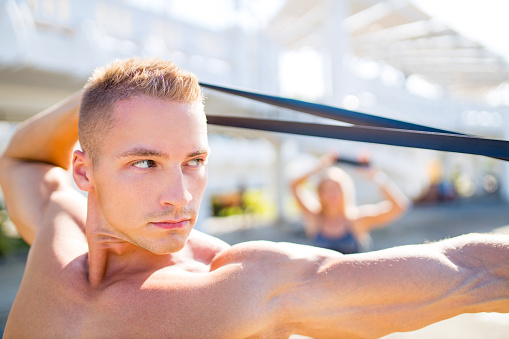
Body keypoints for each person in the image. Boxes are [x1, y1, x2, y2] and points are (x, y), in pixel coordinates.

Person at [0, 57, 508, 339]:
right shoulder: (57, 228)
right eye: (145, 162)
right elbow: (19, 158)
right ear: (84, 172)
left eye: (193, 162)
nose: (179, 197)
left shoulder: (238, 287)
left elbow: (469, 269)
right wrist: (97, 93)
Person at [291, 153, 410, 253]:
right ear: (320, 193)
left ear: (345, 191)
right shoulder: (315, 218)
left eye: (336, 189)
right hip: (321, 281)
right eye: (326, 190)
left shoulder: (356, 219)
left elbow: (399, 206)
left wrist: (375, 175)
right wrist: (319, 166)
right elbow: (294, 185)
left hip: (356, 280)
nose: (331, 194)